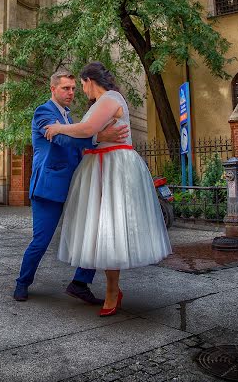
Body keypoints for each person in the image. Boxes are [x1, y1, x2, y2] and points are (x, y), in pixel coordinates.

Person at [44, 62, 172, 317]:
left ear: (89, 80)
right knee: (101, 229)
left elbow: (86, 129)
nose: (81, 91)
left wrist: (59, 127)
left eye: (81, 85)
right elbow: (92, 135)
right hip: (101, 165)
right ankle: (109, 288)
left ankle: (113, 290)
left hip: (114, 167)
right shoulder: (100, 104)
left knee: (111, 227)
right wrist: (98, 136)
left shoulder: (111, 98)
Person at [13, 70, 129, 303]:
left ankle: (80, 283)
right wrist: (99, 136)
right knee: (41, 240)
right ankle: (22, 282)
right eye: (66, 88)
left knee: (92, 235)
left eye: (74, 88)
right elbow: (62, 139)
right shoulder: (43, 112)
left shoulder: (68, 118)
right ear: (53, 89)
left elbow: (77, 143)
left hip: (76, 186)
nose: (71, 93)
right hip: (49, 187)